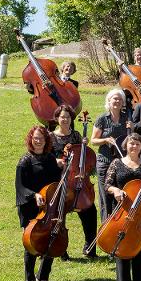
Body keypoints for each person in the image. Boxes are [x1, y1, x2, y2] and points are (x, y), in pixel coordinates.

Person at [104, 133, 141, 281]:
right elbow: (107, 185)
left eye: (137, 144)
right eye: (131, 143)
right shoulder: (117, 163)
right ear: (126, 145)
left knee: (139, 253)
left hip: (139, 217)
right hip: (121, 213)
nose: (134, 146)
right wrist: (116, 191)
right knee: (121, 253)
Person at [49, 104, 98, 260]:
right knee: (59, 216)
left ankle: (90, 248)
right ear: (57, 118)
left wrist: (84, 145)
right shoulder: (50, 137)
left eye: (68, 117)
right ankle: (62, 250)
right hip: (60, 181)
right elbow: (45, 158)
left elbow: (82, 159)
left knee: (90, 212)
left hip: (78, 181)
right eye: (62, 117)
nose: (65, 119)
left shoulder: (76, 135)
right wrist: (55, 160)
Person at [16, 126, 61, 281]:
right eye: (35, 138)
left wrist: (64, 168)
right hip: (30, 207)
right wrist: (34, 195)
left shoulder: (50, 158)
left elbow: (57, 181)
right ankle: (29, 280)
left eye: (41, 138)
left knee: (52, 238)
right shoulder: (25, 161)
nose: (38, 141)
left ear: (46, 140)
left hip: (49, 206)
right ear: (31, 139)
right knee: (31, 243)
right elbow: (20, 187)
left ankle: (43, 276)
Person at [91, 88, 132, 223]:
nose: (117, 101)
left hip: (120, 163)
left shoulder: (127, 118)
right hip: (105, 161)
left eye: (120, 99)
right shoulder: (102, 119)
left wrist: (131, 128)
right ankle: (105, 226)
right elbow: (93, 140)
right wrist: (106, 140)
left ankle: (118, 225)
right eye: (114, 98)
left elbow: (130, 139)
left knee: (119, 193)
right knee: (105, 196)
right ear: (109, 101)